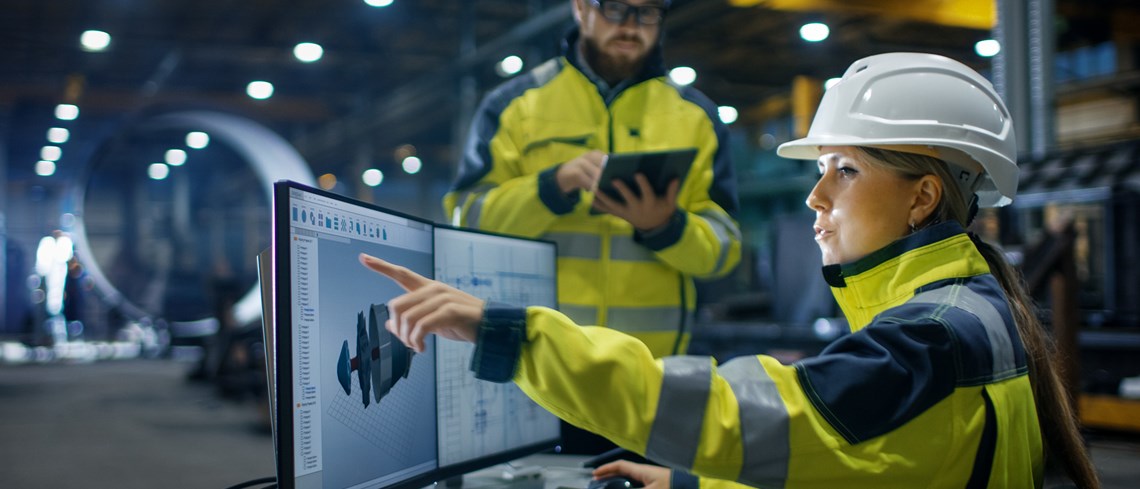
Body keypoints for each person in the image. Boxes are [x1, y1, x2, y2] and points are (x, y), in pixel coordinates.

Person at [364, 52, 1100, 488]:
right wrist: (694, 483)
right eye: (821, 169)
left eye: (844, 169)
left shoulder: (925, 342)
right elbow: (859, 466)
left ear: (923, 197)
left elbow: (730, 411)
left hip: (596, 388)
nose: (815, 195)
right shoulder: (967, 310)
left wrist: (507, 333)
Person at [443, 0, 741, 359]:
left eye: (647, 12)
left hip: (650, 368)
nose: (631, 26)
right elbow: (466, 221)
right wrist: (551, 187)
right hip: (537, 360)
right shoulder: (513, 106)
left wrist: (666, 227)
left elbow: (724, 251)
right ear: (581, 8)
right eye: (615, 8)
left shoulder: (697, 118)